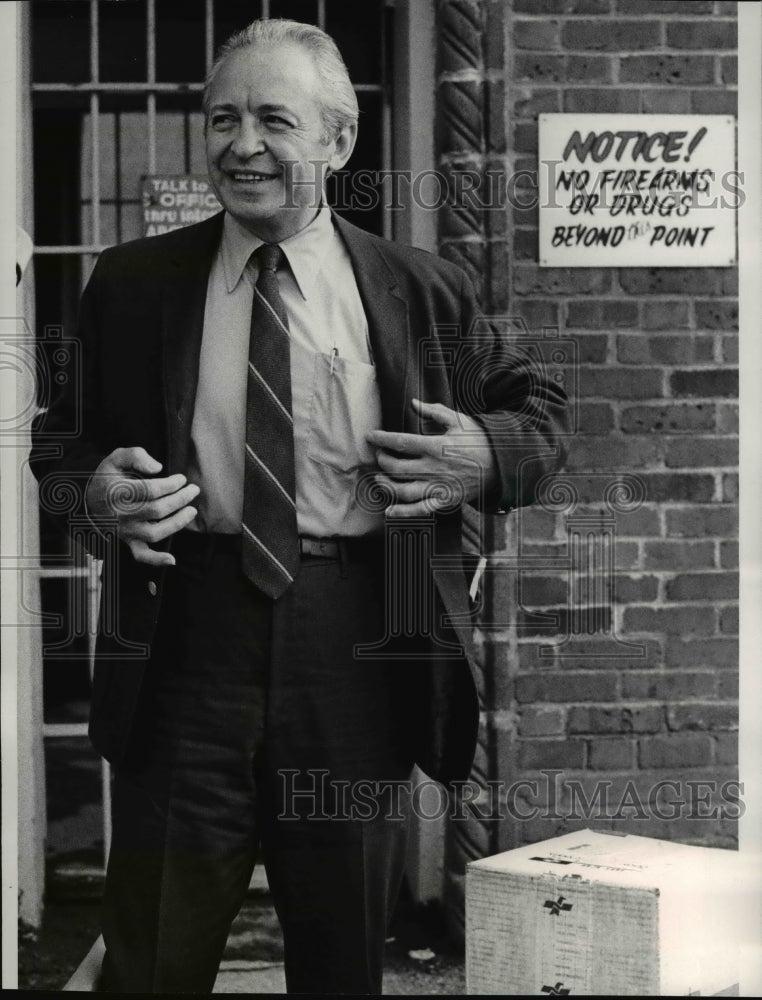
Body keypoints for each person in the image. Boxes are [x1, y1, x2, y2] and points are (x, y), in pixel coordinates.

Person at [31, 17, 568, 995]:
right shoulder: (134, 285)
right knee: (152, 955)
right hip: (184, 644)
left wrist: (481, 453)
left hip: (356, 648)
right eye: (222, 118)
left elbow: (543, 411)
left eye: (273, 119)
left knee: (341, 953)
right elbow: (56, 445)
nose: (242, 144)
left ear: (338, 139)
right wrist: (96, 493)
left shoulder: (420, 290)